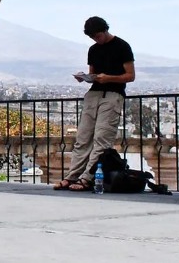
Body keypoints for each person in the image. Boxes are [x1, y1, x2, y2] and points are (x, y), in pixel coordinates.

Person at [53, 15, 135, 191]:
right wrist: (86, 78)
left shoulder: (122, 46)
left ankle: (88, 177)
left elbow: (130, 76)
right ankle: (72, 176)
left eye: (97, 36)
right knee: (83, 138)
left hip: (113, 94)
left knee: (101, 138)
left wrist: (110, 78)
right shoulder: (93, 49)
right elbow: (93, 74)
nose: (96, 39)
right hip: (94, 94)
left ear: (105, 30)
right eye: (92, 37)